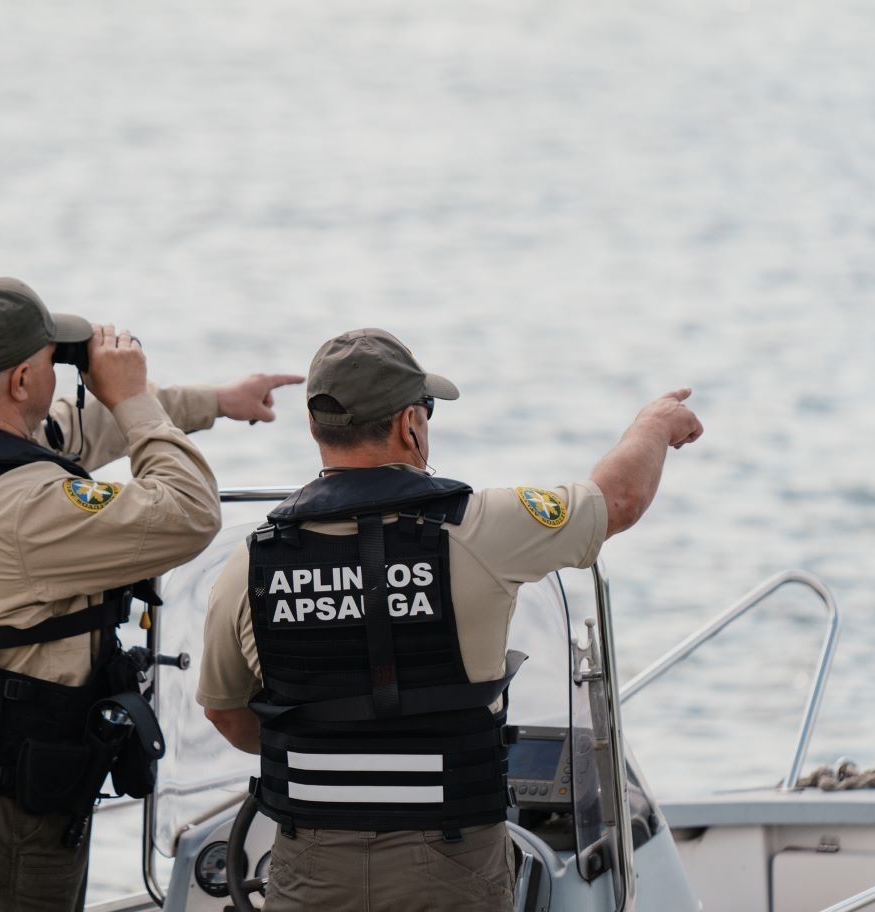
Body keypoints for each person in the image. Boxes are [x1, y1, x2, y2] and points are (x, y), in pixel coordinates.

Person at [197, 327, 704, 911]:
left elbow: (226, 714)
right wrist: (655, 424)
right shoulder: (481, 529)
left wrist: (335, 750)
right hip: (450, 862)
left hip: (311, 867)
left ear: (316, 428)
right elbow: (617, 500)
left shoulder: (251, 563)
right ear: (409, 423)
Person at [0, 276, 302, 912]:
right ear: (21, 381)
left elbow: (77, 429)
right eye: (53, 360)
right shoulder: (23, 506)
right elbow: (187, 511)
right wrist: (129, 395)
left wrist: (214, 401)